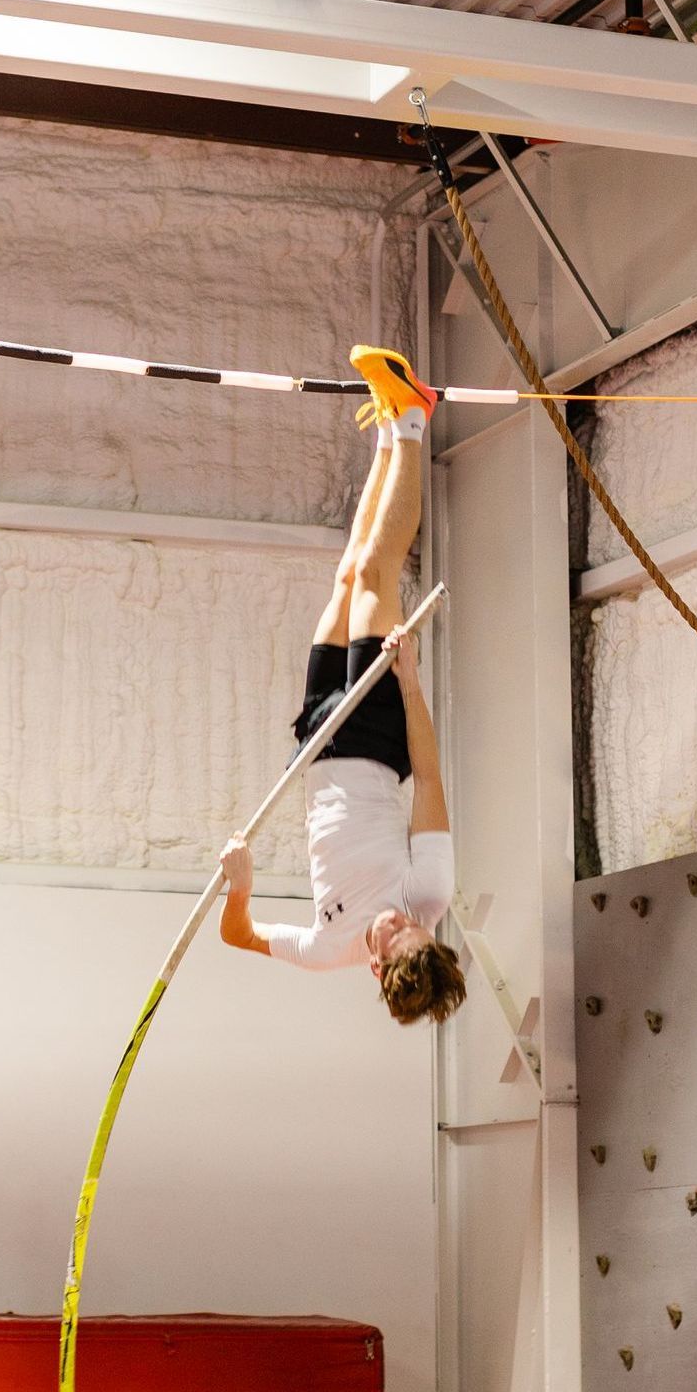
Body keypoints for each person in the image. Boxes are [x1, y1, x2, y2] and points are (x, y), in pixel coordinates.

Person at [217, 346, 467, 1028]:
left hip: (317, 748)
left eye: (393, 935)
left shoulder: (330, 949)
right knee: (380, 579)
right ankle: (413, 418)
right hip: (376, 736)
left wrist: (241, 888)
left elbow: (238, 935)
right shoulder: (431, 890)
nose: (398, 921)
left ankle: (390, 426)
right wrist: (411, 682)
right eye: (415, 929)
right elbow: (431, 779)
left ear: (378, 968)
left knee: (349, 577)